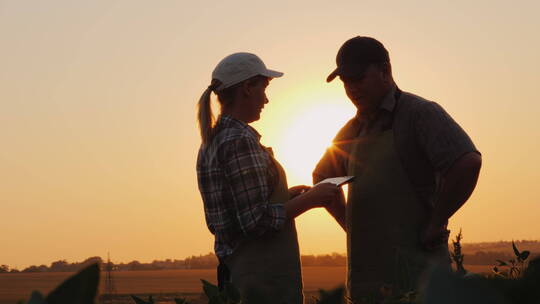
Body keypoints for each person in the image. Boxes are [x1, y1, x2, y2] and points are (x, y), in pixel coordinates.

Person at [314, 37, 482, 302]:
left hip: (420, 281)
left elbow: (467, 163)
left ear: (385, 71)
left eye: (358, 78)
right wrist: (350, 225)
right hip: (364, 285)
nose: (352, 88)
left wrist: (436, 221)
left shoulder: (419, 114)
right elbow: (322, 178)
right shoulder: (352, 129)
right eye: (346, 82)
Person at [196, 52, 339, 303]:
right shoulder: (240, 140)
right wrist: (312, 199)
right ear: (248, 88)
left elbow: (235, 214)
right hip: (261, 283)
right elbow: (255, 221)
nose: (267, 99)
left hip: (237, 275)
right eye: (264, 88)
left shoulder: (213, 140)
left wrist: (285, 195)